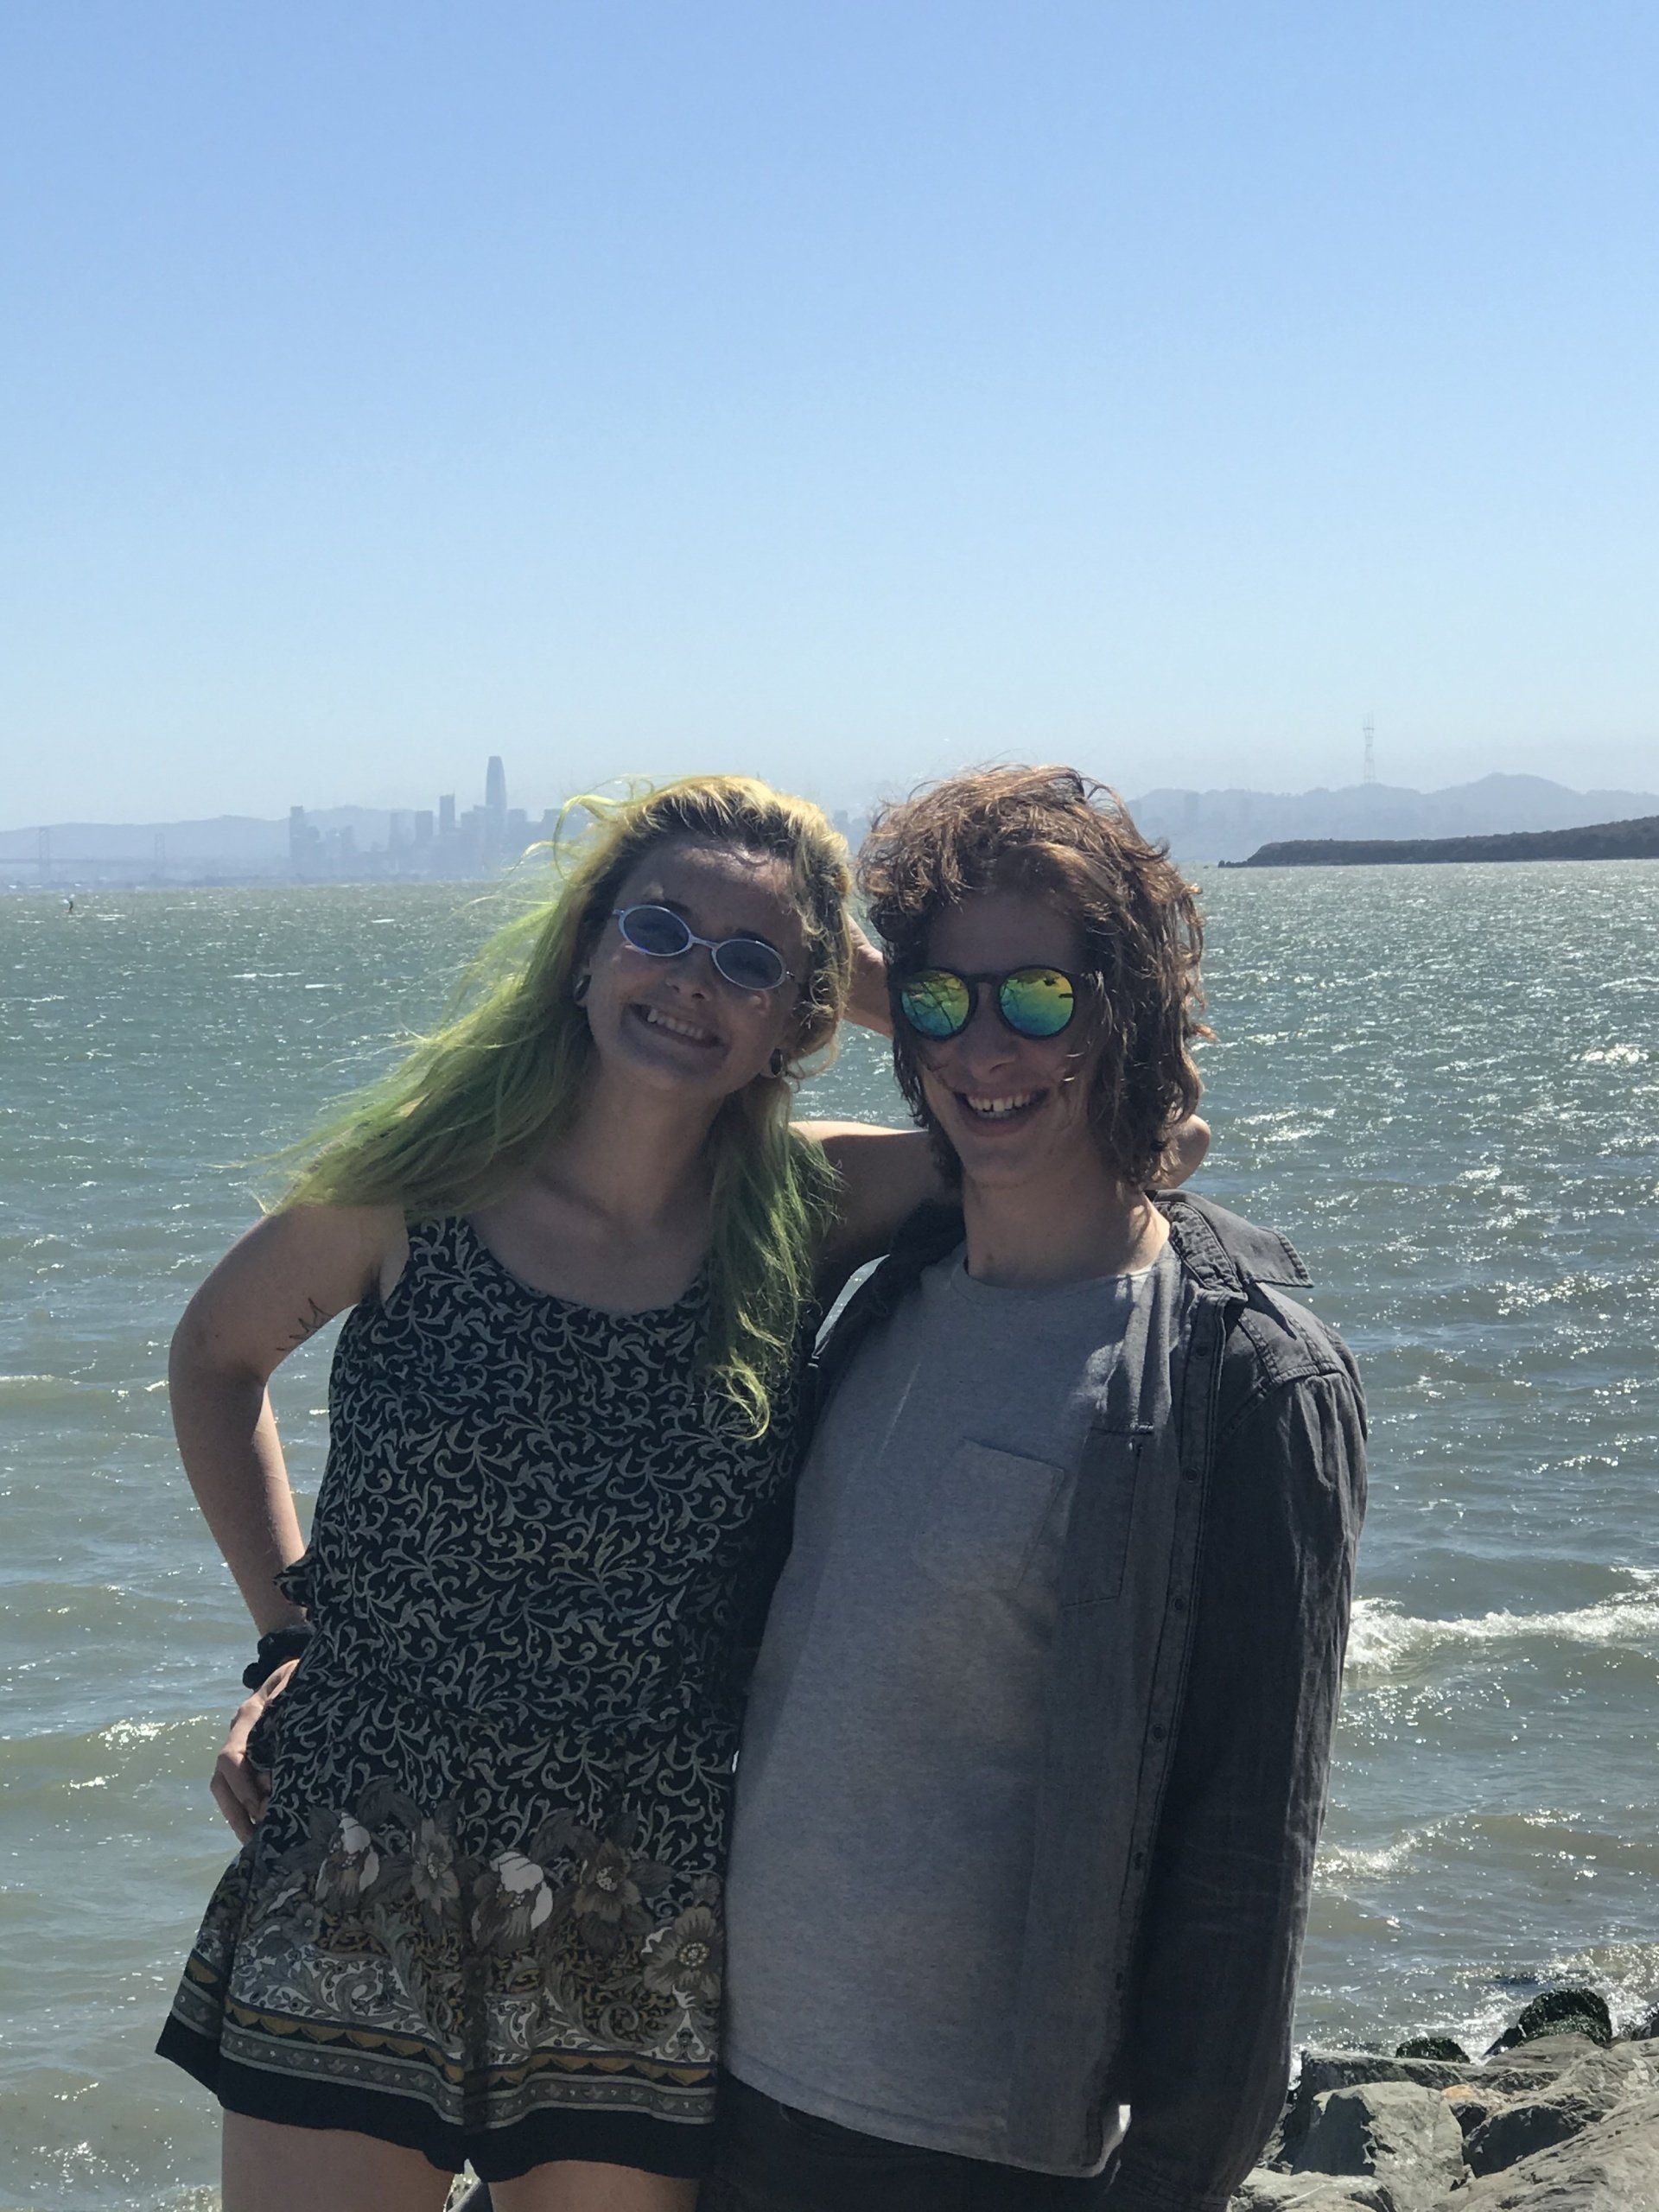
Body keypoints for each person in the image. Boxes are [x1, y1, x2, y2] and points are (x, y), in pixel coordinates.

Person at [157, 777, 944, 2212]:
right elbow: (216, 1357)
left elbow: (1129, 1141)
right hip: (360, 1834)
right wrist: (290, 1634)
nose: (692, 980)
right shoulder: (426, 1183)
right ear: (585, 947)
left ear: (800, 1016)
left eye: (750, 962)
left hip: (635, 1871)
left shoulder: (805, 1207)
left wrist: (874, 987)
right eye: (660, 928)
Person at [707, 766, 1368, 2212]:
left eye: (1042, 998)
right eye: (942, 1001)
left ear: (1127, 1010)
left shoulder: (1241, 1378)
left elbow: (1245, 1863)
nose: (985, 1045)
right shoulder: (884, 1296)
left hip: (980, 2154)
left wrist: (1171, 2181)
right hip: (722, 2092)